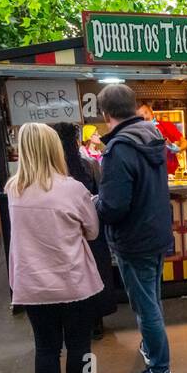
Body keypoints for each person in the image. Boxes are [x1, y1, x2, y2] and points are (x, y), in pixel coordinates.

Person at [8, 122, 107, 373]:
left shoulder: (14, 190)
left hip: (32, 285)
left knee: (46, 349)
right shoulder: (72, 189)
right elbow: (92, 231)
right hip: (73, 281)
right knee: (79, 347)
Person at [97, 85, 176, 373]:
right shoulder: (152, 137)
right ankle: (153, 351)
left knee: (146, 306)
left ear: (106, 114)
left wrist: (96, 203)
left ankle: (159, 371)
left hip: (135, 238)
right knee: (152, 299)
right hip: (155, 233)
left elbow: (114, 206)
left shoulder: (119, 148)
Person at [52, 121, 118, 339]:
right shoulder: (90, 165)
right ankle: (96, 323)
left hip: (63, 235)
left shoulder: (50, 171)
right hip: (91, 232)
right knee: (95, 275)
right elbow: (103, 197)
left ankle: (71, 324)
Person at [139, 101, 182, 178]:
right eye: (141, 116)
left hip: (171, 173)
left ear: (151, 110)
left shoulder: (166, 125)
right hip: (150, 175)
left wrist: (176, 148)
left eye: (146, 112)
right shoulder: (138, 133)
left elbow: (184, 142)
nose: (145, 117)